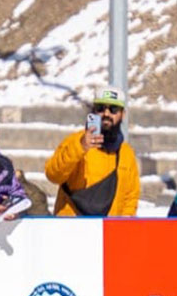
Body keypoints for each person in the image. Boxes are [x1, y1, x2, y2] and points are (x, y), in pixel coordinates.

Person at [44, 88, 141, 217]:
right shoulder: (75, 141)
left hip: (107, 231)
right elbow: (53, 174)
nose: (106, 114)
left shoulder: (126, 153)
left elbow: (130, 197)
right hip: (71, 228)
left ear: (122, 114)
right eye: (101, 108)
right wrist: (80, 148)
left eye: (113, 109)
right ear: (94, 112)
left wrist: (122, 225)